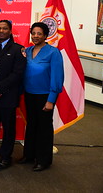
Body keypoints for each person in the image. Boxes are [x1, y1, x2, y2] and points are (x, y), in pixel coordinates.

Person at [19, 22, 64, 171]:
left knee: (44, 128)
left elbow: (57, 78)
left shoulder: (53, 52)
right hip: (29, 94)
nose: (36, 36)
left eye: (39, 33)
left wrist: (51, 100)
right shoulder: (27, 50)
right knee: (31, 125)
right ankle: (29, 155)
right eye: (33, 33)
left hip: (45, 96)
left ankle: (43, 160)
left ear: (45, 35)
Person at [0, 19, 26, 171]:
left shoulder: (18, 49)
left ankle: (5, 157)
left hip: (7, 96)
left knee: (8, 129)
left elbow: (17, 74)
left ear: (10, 30)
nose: (1, 31)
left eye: (4, 28)